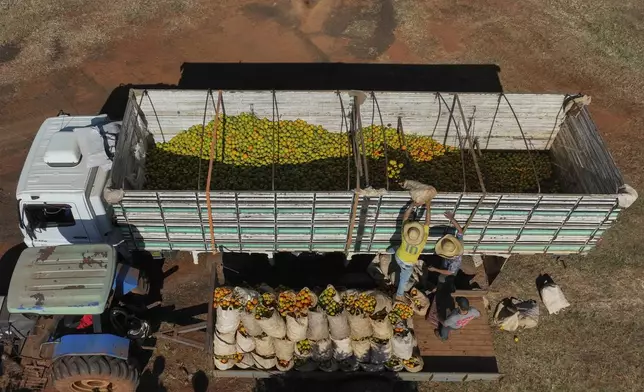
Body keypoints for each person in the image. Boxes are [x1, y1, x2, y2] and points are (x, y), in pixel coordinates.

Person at [387, 201, 431, 301]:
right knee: (403, 280)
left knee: (397, 247)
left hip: (398, 256)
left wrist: (412, 205)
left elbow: (405, 217)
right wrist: (428, 206)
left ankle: (389, 250)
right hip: (407, 264)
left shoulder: (405, 236)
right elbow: (427, 222)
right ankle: (399, 295)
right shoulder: (422, 242)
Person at [428, 211, 464, 284]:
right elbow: (460, 231)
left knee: (442, 279)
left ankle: (443, 287)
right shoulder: (459, 244)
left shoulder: (455, 261)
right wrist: (452, 219)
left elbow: (449, 272)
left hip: (450, 271)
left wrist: (435, 269)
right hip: (446, 264)